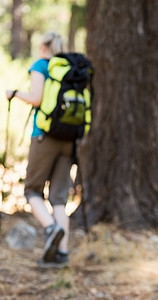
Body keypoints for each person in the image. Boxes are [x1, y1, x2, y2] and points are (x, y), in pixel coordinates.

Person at [5, 31, 71, 269]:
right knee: (59, 198)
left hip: (44, 136)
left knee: (32, 190)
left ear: (44, 46)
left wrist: (13, 94)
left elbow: (36, 98)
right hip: (69, 139)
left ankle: (51, 228)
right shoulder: (70, 69)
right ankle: (62, 255)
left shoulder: (41, 66)